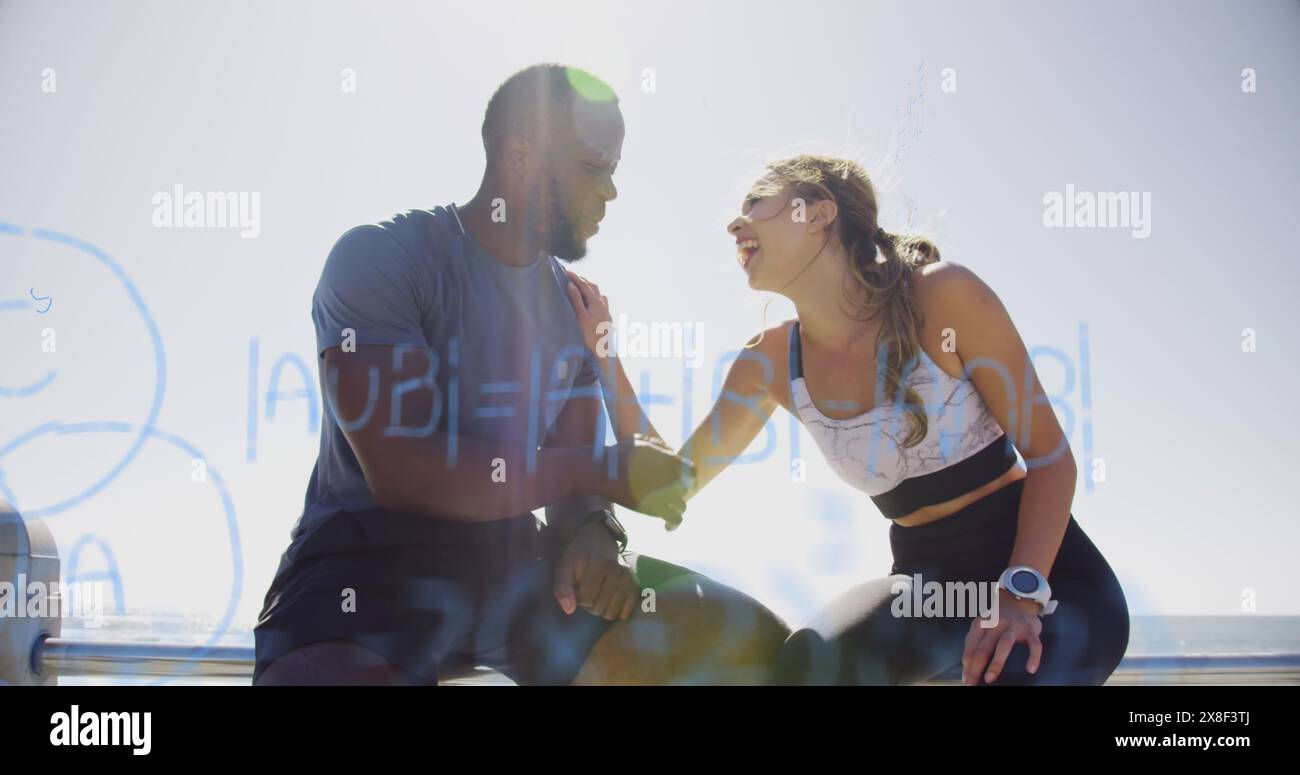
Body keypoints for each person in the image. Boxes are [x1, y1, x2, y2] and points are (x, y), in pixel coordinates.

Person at [253, 64, 790, 686]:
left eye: (614, 170)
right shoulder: (380, 258)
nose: (610, 192)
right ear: (519, 155)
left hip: (512, 567)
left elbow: (572, 467)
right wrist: (607, 472)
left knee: (754, 649)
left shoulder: (576, 308)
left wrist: (592, 530)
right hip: (362, 567)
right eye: (593, 168)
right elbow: (402, 471)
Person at [564, 154, 1130, 685]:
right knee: (806, 670)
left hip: (1049, 579)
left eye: (756, 202)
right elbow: (672, 485)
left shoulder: (944, 296)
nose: (734, 226)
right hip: (925, 588)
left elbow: (1052, 459)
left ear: (820, 213)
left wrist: (1019, 594)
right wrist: (606, 355)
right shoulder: (769, 363)